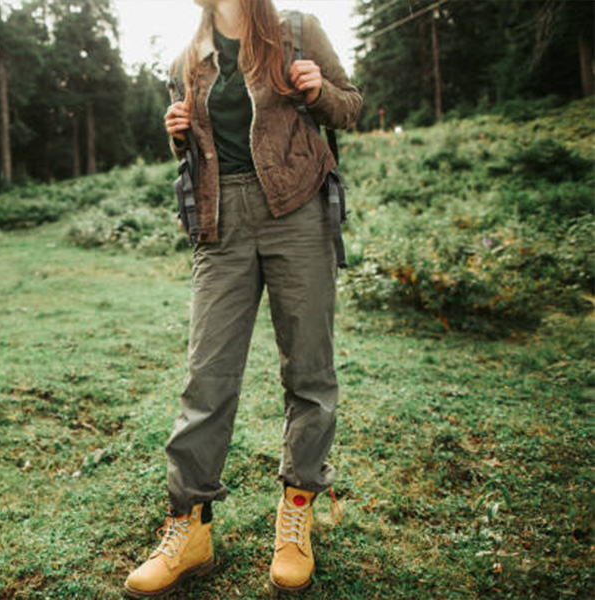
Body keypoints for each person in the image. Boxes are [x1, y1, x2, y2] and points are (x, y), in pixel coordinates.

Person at [124, 0, 362, 597]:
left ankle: (297, 510)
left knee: (309, 369)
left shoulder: (297, 31)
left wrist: (317, 92)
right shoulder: (188, 58)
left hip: (297, 212)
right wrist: (178, 134)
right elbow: (195, 153)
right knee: (206, 377)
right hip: (220, 220)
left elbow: (349, 106)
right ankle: (190, 526)